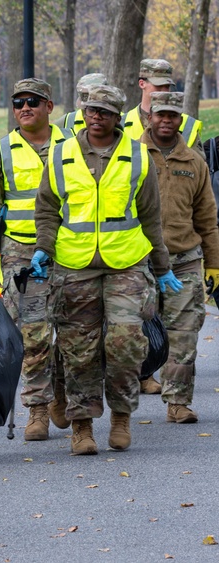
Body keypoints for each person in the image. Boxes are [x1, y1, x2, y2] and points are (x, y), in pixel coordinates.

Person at [33, 84, 176, 455]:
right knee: (78, 349)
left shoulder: (137, 156)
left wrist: (162, 268)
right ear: (83, 112)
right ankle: (82, 426)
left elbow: (151, 217)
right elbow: (47, 209)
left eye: (106, 112)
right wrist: (43, 249)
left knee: (126, 342)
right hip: (74, 265)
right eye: (92, 109)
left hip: (126, 263)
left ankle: (121, 416)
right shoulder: (61, 154)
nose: (97, 116)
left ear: (118, 117)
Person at [0, 78, 68, 441]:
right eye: (18, 103)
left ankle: (61, 391)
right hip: (19, 253)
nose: (25, 108)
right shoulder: (1, 151)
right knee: (33, 336)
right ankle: (36, 409)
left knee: (72, 333)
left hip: (71, 251)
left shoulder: (73, 147)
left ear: (49, 106)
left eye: (33, 101)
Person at [141, 91, 219, 424]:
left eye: (173, 115)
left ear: (180, 119)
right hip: (140, 262)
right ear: (150, 117)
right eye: (161, 114)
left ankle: (177, 402)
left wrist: (213, 263)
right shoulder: (132, 156)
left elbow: (207, 218)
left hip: (185, 260)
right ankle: (132, 387)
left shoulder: (194, 162)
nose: (166, 120)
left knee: (184, 332)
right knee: (131, 336)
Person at [123, 59, 204, 159]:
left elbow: (200, 167)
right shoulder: (121, 124)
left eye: (167, 86)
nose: (164, 91)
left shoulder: (188, 125)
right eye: (159, 86)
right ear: (142, 83)